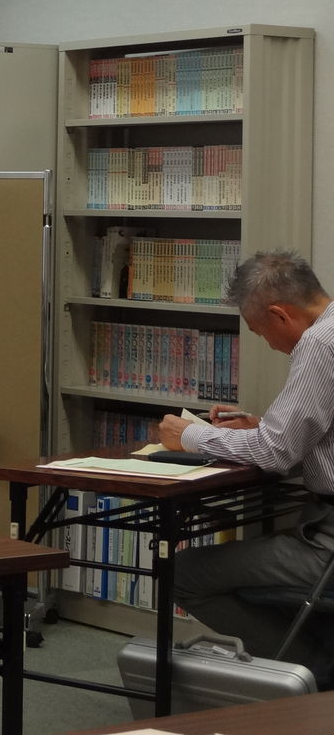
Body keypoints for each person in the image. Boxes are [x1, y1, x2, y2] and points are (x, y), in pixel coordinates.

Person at [158, 249, 334, 684]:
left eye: (260, 332)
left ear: (279, 315)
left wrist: (190, 435)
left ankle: (313, 671)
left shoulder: (318, 344)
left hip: (327, 547)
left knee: (181, 574)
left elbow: (275, 453)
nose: (269, 344)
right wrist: (262, 426)